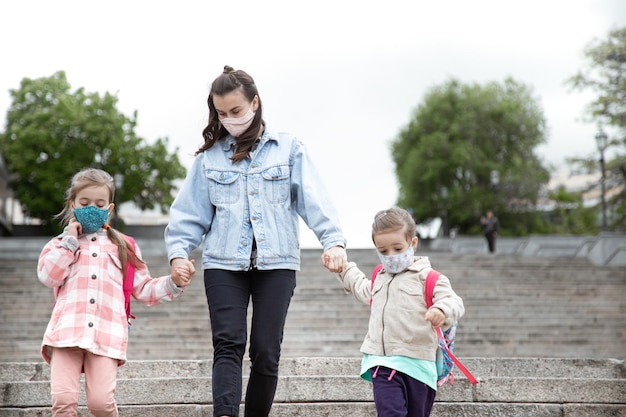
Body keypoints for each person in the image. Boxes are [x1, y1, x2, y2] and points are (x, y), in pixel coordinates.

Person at [164, 65, 347, 417]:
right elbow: (189, 213)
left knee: (265, 349)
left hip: (276, 263)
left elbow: (314, 198)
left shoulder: (289, 148)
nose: (230, 119)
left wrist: (333, 242)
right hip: (222, 264)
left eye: (236, 111)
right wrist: (178, 255)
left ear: (255, 103)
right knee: (228, 343)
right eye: (221, 113)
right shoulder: (209, 158)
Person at [37, 168, 191, 417]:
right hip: (66, 333)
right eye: (84, 203)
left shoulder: (124, 247)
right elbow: (48, 276)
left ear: (109, 208)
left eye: (99, 204)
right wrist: (69, 243)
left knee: (100, 403)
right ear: (72, 204)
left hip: (106, 336)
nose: (91, 209)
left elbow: (144, 289)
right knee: (63, 402)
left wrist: (173, 281)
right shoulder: (59, 244)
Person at [333, 207, 464, 417]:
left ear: (413, 243)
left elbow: (453, 301)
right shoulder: (379, 277)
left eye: (397, 248)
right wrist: (343, 268)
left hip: (420, 368)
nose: (391, 256)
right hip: (383, 363)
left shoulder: (430, 278)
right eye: (383, 251)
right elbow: (361, 286)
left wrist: (442, 309)